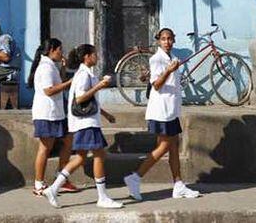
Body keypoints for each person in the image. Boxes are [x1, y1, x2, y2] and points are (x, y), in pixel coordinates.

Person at [43, 44, 123, 210]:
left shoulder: (85, 74)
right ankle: (102, 197)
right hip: (86, 123)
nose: (97, 57)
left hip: (85, 122)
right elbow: (80, 99)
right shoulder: (83, 75)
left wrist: (106, 114)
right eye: (94, 54)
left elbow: (89, 101)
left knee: (80, 158)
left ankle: (53, 188)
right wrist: (100, 86)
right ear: (87, 57)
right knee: (99, 155)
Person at [124, 27, 200, 201]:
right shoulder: (157, 59)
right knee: (165, 146)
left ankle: (178, 184)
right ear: (159, 40)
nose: (167, 42)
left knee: (173, 146)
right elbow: (157, 85)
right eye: (164, 39)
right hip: (161, 111)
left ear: (173, 40)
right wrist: (168, 71)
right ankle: (135, 177)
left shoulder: (172, 58)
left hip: (171, 110)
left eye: (170, 39)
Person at [28, 38, 79, 196]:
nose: (61, 53)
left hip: (57, 113)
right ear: (51, 50)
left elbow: (58, 83)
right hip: (46, 114)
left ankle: (61, 179)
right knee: (45, 148)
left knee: (69, 140)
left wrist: (63, 70)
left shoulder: (51, 66)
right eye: (60, 50)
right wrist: (71, 82)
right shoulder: (45, 68)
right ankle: (38, 184)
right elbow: (49, 90)